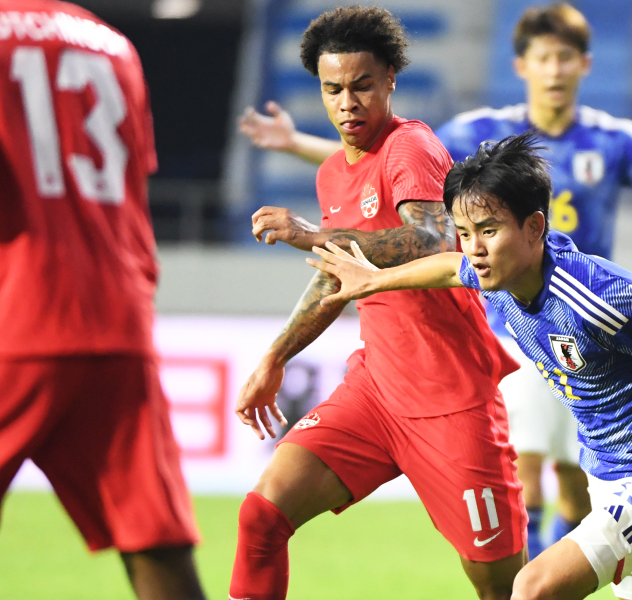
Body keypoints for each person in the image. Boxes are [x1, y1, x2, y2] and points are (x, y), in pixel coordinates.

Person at [238, 2, 632, 558]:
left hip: (591, 319)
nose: (554, 70)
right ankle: (545, 567)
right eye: (544, 58)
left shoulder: (615, 139)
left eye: (565, 57)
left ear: (585, 64)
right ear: (522, 66)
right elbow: (382, 159)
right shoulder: (480, 132)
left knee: (576, 477)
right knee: (531, 459)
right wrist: (297, 145)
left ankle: (558, 563)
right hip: (512, 316)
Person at [306, 132, 632, 600]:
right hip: (608, 471)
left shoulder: (598, 297)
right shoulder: (500, 273)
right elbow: (449, 267)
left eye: (489, 230)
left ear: (534, 227)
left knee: (532, 588)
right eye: (464, 232)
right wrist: (375, 280)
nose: (474, 248)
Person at [0, 1, 206, 598]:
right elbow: (127, 191)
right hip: (119, 323)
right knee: (157, 552)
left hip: (10, 318)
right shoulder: (109, 42)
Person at [230, 7, 525, 600]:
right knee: (262, 515)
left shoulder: (408, 147)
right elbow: (335, 278)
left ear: (391, 78)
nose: (347, 103)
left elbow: (435, 239)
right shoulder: (333, 173)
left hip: (451, 399)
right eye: (332, 89)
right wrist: (275, 358)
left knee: (503, 587)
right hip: (375, 392)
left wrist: (312, 235)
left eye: (362, 85)